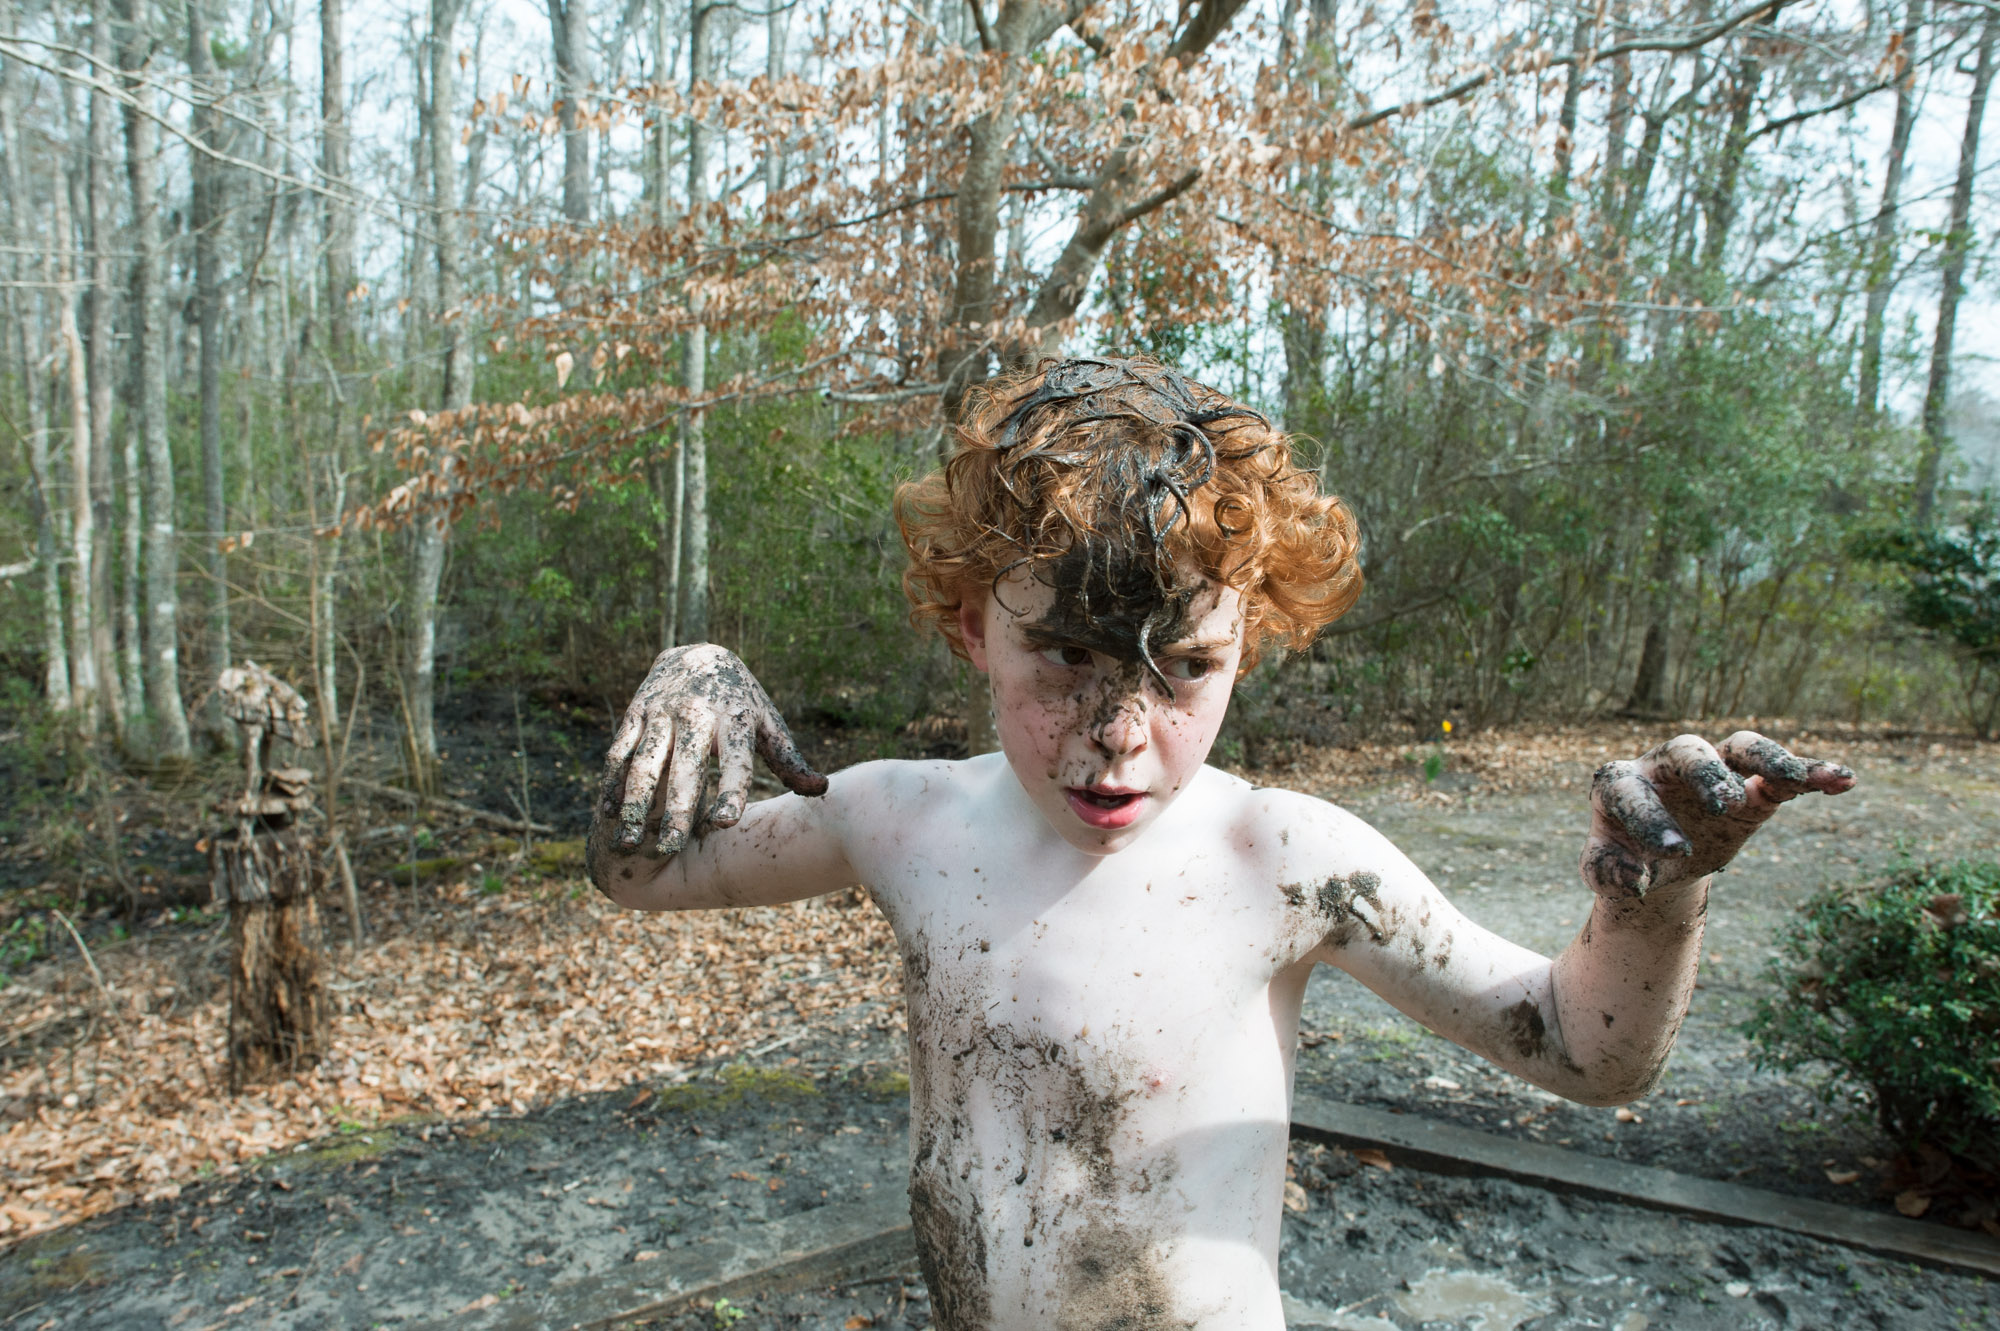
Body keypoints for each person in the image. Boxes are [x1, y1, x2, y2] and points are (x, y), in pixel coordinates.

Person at [587, 356, 1854, 1331]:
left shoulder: (1288, 858)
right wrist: (693, 678)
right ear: (973, 623)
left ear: (1251, 638)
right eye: (1066, 658)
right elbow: (638, 872)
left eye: (1184, 668)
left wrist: (1653, 894)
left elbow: (1583, 1052)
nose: (1117, 737)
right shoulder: (895, 816)